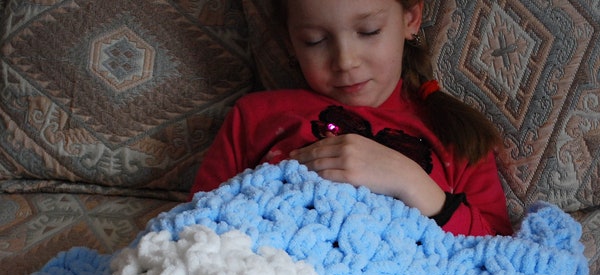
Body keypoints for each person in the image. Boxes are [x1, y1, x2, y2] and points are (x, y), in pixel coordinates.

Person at [190, 0, 513, 237]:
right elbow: (197, 225)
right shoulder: (256, 116)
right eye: (315, 40)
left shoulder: (457, 133)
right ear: (291, 41)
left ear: (410, 19)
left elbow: (500, 254)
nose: (345, 61)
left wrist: (411, 182)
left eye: (369, 31)